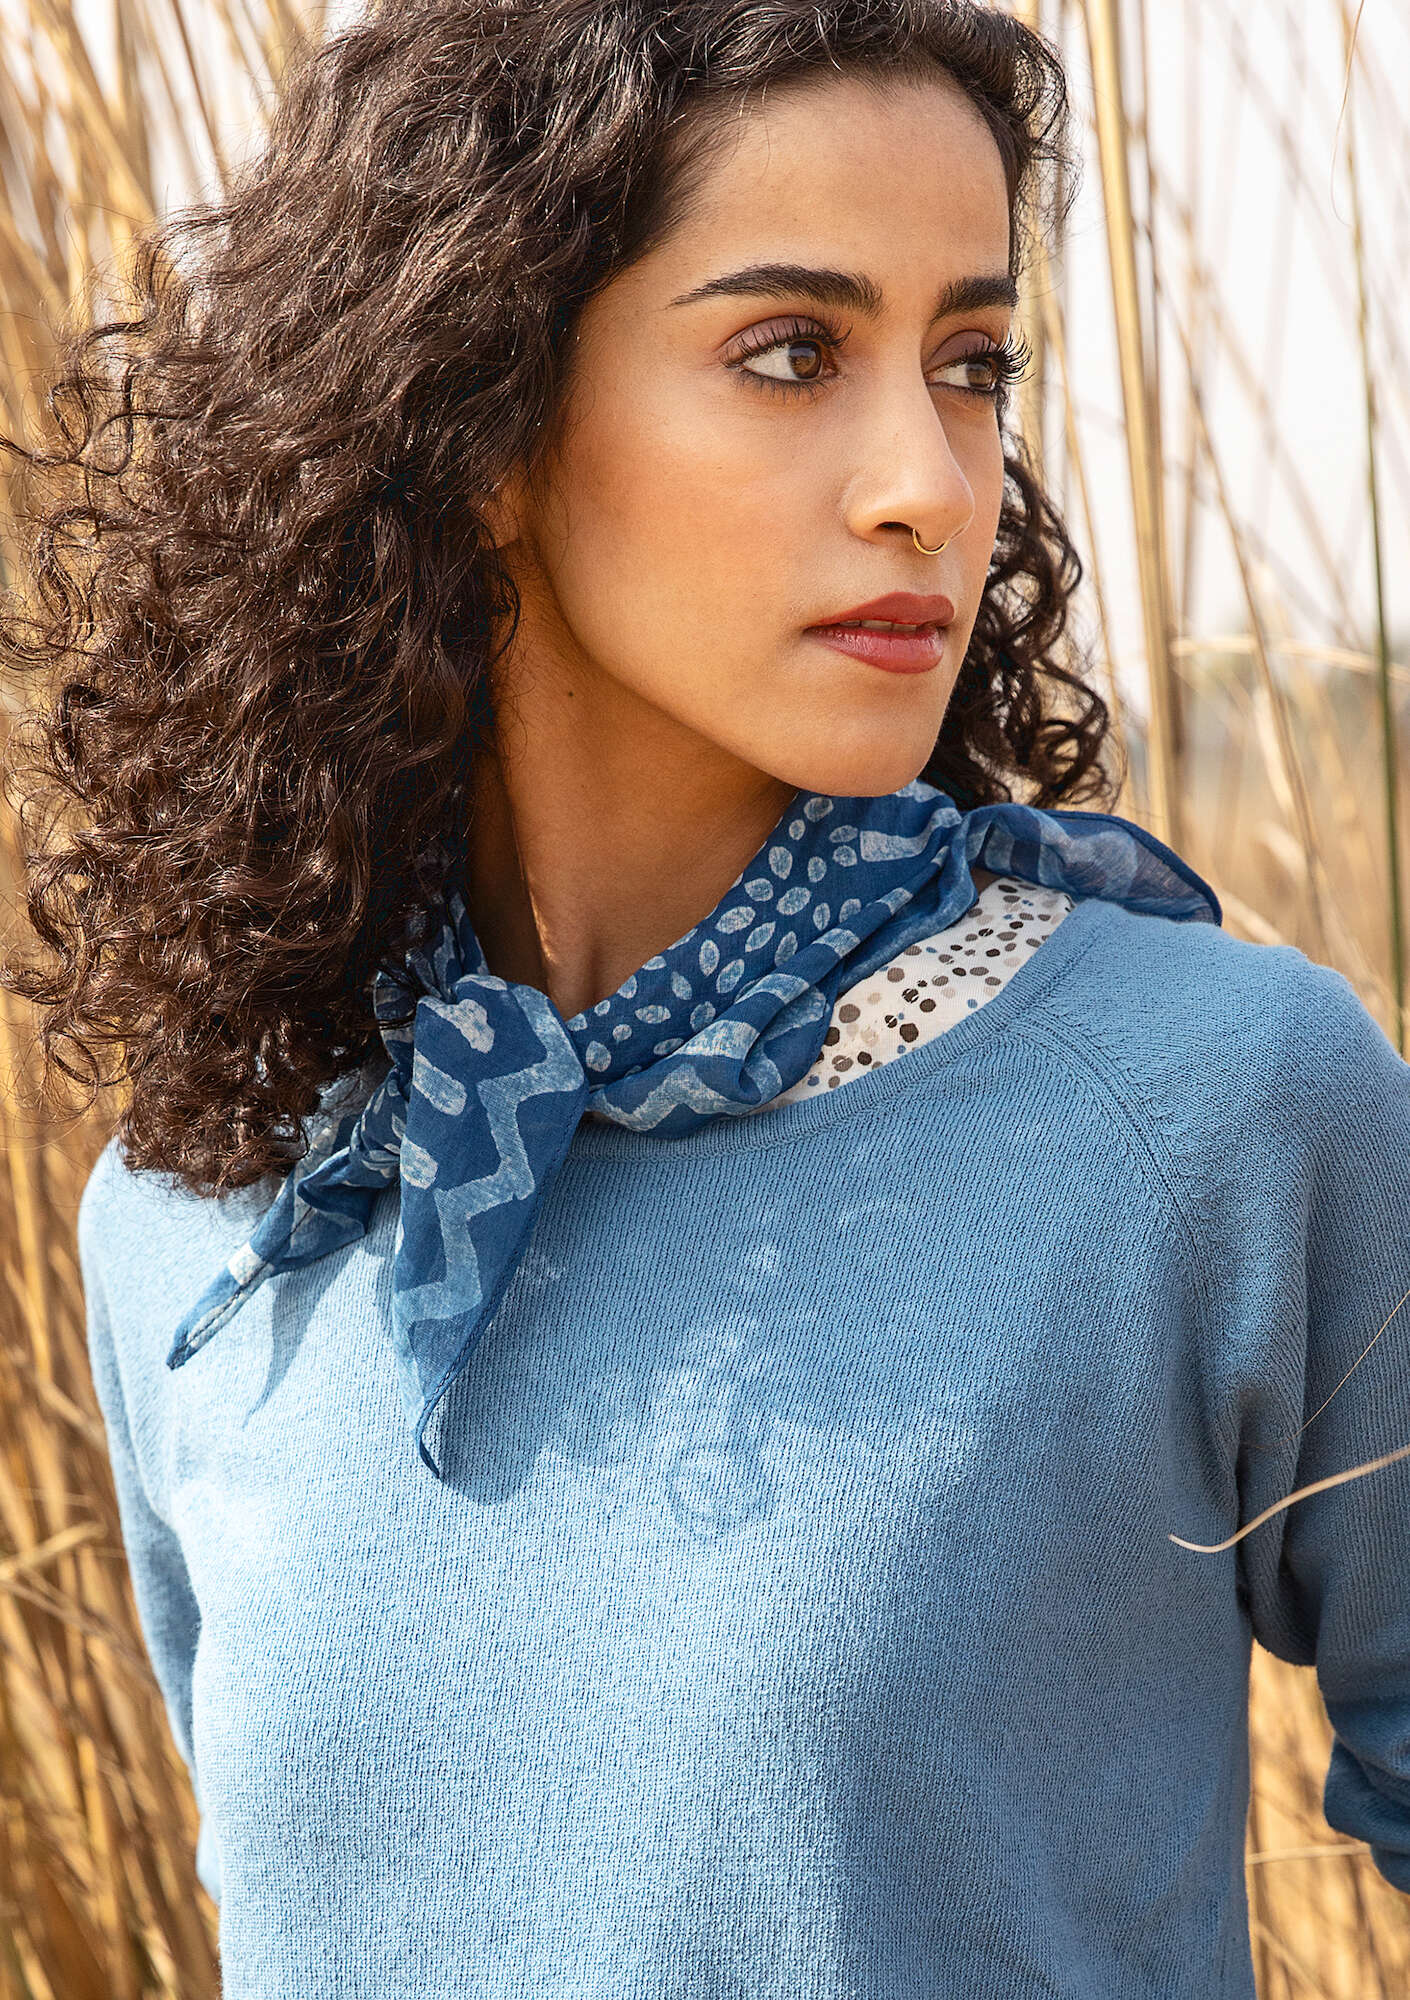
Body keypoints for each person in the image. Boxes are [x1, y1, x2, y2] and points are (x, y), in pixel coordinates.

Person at [3, 2, 1408, 1995]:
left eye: (972, 364)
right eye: (790, 353)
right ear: (481, 423)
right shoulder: (210, 1213)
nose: (931, 483)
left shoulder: (1215, 1108)